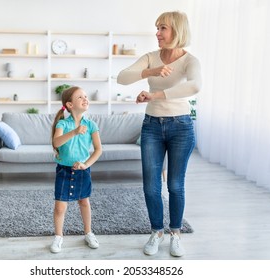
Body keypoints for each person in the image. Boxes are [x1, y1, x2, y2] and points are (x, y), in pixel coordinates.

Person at [117, 11, 201, 257]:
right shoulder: (151, 57)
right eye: (157, 28)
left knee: (175, 185)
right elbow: (122, 78)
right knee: (151, 186)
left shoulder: (189, 61)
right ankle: (156, 231)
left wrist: (154, 95)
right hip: (152, 126)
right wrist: (150, 72)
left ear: (176, 30)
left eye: (162, 28)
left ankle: (175, 232)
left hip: (181, 127)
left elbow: (194, 85)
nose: (157, 33)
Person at [49, 86, 102, 253]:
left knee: (84, 202)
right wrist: (74, 132)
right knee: (60, 207)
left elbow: (98, 149)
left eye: (86, 96)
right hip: (64, 171)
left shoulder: (91, 124)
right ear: (70, 105)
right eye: (80, 97)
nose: (85, 99)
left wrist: (86, 164)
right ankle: (58, 237)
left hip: (82, 171)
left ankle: (88, 232)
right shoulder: (62, 124)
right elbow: (56, 143)